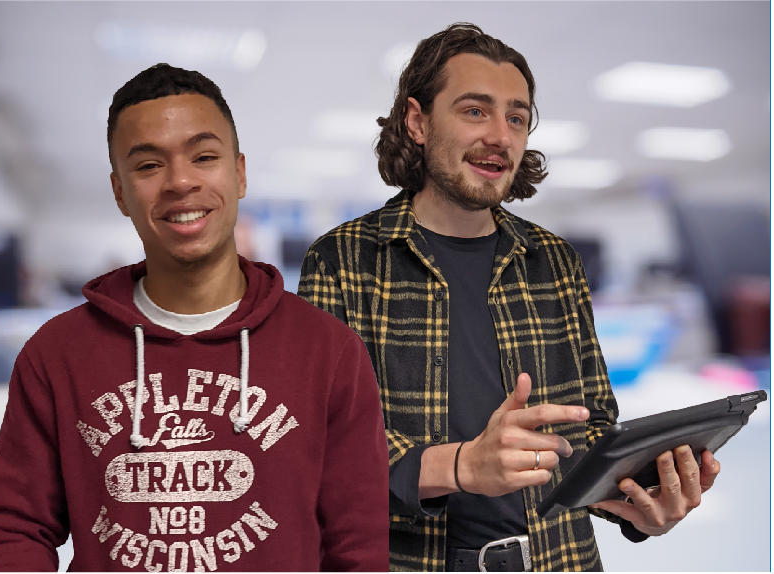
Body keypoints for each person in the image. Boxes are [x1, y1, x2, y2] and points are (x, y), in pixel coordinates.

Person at [298, 23, 720, 572]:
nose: (501, 135)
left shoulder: (554, 262)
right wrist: (460, 465)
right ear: (418, 121)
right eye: (475, 111)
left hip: (559, 561)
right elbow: (320, 451)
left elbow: (591, 427)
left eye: (516, 117)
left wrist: (636, 503)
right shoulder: (343, 260)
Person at [0, 64, 389, 572]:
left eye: (204, 157)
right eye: (148, 166)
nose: (180, 182)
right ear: (120, 192)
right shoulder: (56, 354)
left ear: (238, 173)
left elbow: (358, 545)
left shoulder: (329, 352)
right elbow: (16, 527)